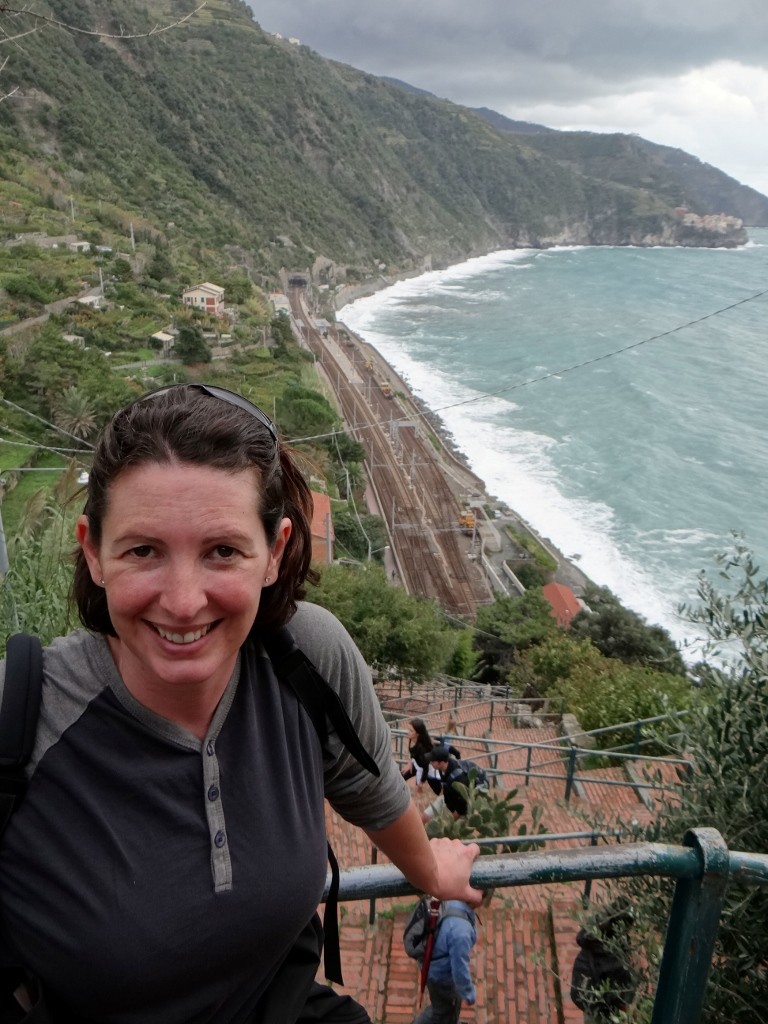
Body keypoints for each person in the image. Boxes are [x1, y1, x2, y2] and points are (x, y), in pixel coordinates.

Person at [0, 383, 480, 1024]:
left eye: (222, 551)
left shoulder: (306, 656)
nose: (183, 600)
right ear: (93, 551)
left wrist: (430, 871)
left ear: (275, 552)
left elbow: (371, 793)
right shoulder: (24, 712)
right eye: (143, 550)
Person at [411, 892, 491, 1024]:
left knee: (444, 1008)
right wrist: (468, 994)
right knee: (442, 1011)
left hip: (432, 966)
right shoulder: (461, 931)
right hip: (442, 978)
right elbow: (459, 969)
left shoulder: (451, 899)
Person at [570, 898, 636, 1023]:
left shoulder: (594, 935)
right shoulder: (610, 955)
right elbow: (623, 995)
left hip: (590, 998)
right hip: (601, 1008)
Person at [427, 747, 477, 819]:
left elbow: (463, 802)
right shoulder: (443, 768)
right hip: (452, 800)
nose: (430, 763)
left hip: (463, 806)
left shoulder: (458, 777)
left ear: (441, 763)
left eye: (432, 761)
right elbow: (444, 785)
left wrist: (451, 821)